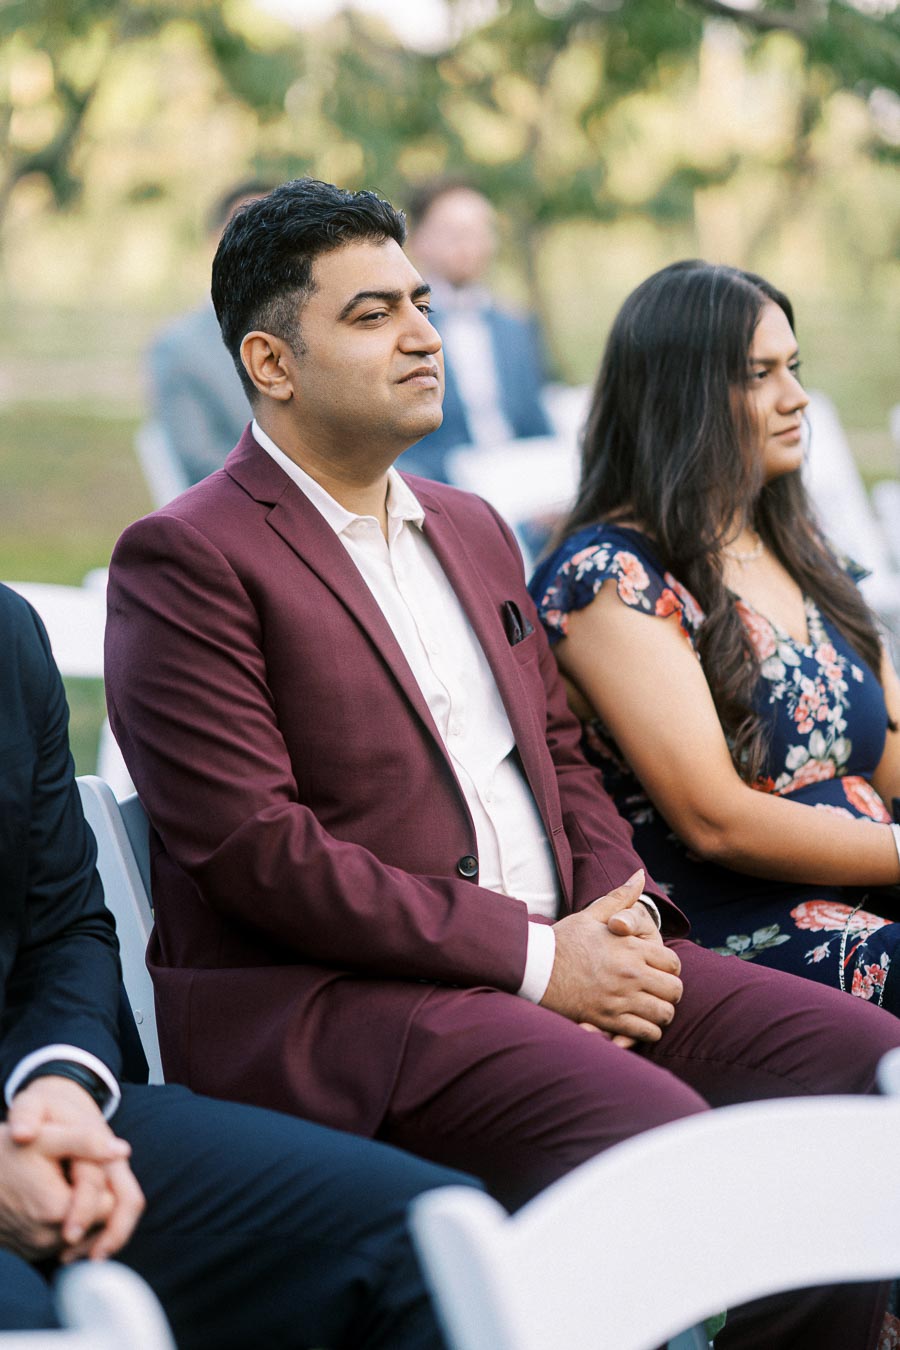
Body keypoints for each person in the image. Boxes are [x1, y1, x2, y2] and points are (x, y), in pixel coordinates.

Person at [104, 180, 900, 1350]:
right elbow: (255, 852)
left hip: (566, 947)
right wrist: (537, 963)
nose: (426, 333)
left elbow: (562, 756)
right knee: (662, 1138)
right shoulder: (187, 558)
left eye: (421, 302)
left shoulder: (472, 526)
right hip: (360, 1005)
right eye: (373, 315)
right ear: (271, 361)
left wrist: (618, 910)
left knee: (863, 1078)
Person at [0, 581, 477, 1345]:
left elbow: (63, 928)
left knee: (429, 1239)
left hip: (34, 1099)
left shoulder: (5, 632)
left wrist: (57, 1086)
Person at [529, 260, 900, 1014]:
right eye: (759, 374)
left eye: (791, 367)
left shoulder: (803, 550)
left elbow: (892, 757)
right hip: (740, 929)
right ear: (682, 397)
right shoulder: (610, 577)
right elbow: (715, 821)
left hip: (871, 884)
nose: (796, 397)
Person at [397, 177, 553, 485]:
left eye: (480, 231)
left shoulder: (517, 327)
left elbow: (538, 423)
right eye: (453, 233)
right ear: (418, 241)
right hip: (439, 489)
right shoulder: (400, 329)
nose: (469, 244)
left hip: (525, 485)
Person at [146, 182, 272, 485]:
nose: (266, 246)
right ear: (216, 241)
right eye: (248, 230)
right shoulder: (179, 348)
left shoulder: (327, 332)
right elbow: (197, 460)